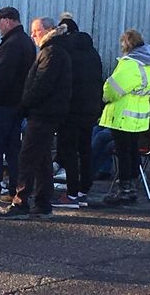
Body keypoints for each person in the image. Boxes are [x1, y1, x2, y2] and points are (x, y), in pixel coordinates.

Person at [0, 17, 72, 220]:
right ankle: (43, 202)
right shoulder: (54, 50)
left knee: (28, 157)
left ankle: (21, 203)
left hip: (43, 113)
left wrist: (24, 105)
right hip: (47, 112)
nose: (32, 36)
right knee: (42, 158)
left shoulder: (52, 52)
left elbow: (42, 84)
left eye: (36, 31)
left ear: (47, 30)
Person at [0, 7, 36, 206]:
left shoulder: (11, 45)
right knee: (13, 149)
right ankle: (13, 190)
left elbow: (3, 76)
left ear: (8, 21)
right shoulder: (26, 42)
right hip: (17, 105)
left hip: (2, 105)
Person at [51, 12, 103, 209]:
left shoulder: (66, 51)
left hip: (70, 109)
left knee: (69, 150)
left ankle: (71, 194)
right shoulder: (93, 52)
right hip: (90, 109)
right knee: (85, 149)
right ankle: (83, 190)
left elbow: (62, 81)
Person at [101, 29, 150, 205]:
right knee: (132, 151)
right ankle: (131, 185)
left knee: (123, 153)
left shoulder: (130, 63)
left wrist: (104, 95)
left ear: (126, 44)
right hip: (139, 117)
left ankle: (125, 189)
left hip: (122, 115)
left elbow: (113, 89)